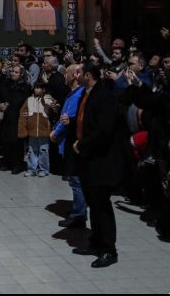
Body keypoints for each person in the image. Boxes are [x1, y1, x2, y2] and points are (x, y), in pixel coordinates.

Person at [72, 63, 123, 268]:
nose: (76, 76)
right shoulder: (87, 93)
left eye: (79, 72)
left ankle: (109, 249)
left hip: (101, 159)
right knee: (93, 202)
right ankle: (96, 241)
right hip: (86, 157)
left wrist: (82, 144)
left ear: (88, 75)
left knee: (102, 204)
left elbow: (104, 130)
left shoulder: (105, 97)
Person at [51, 63, 87, 228]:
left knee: (75, 179)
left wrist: (55, 132)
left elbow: (68, 117)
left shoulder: (79, 94)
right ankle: (78, 210)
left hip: (73, 142)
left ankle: (79, 214)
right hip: (70, 141)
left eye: (67, 73)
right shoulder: (72, 94)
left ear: (75, 75)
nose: (64, 76)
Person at [18, 82, 56, 177]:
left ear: (43, 90)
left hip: (44, 131)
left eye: (39, 88)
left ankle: (44, 169)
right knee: (31, 150)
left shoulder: (48, 99)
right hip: (32, 131)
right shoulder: (29, 100)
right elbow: (23, 113)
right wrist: (22, 128)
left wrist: (51, 106)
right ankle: (32, 169)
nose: (36, 89)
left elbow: (54, 111)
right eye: (35, 87)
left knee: (44, 150)